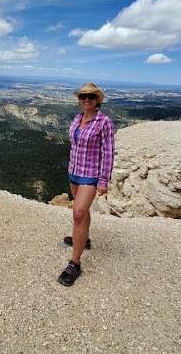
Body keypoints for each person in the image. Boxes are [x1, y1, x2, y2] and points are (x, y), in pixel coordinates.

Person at [57, 82, 115, 286]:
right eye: (83, 96)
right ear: (79, 100)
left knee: (79, 213)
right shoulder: (77, 118)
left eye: (90, 96)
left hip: (91, 174)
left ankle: (75, 262)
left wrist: (104, 179)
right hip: (74, 171)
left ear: (97, 100)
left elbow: (107, 151)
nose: (86, 99)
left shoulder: (104, 122)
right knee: (82, 212)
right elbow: (75, 146)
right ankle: (84, 239)